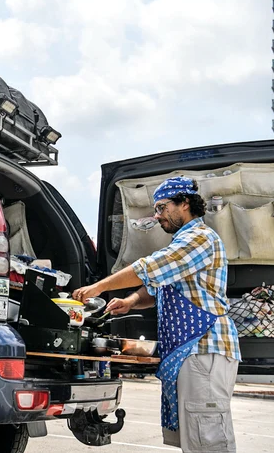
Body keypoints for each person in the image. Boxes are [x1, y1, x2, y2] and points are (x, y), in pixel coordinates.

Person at [73, 176, 240, 453]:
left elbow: (151, 267)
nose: (157, 216)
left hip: (204, 347)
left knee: (209, 439)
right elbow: (154, 286)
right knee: (196, 438)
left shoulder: (199, 238)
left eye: (162, 208)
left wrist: (99, 286)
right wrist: (129, 302)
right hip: (190, 352)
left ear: (184, 203)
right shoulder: (183, 242)